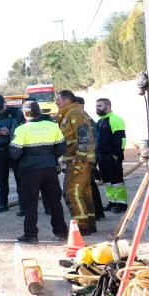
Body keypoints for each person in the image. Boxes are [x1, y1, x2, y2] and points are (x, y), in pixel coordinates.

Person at [10, 101, 68, 243]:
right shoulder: (52, 126)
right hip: (49, 169)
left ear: (25, 113)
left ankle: (31, 235)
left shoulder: (21, 129)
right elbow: (61, 146)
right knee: (55, 201)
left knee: (31, 202)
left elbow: (15, 153)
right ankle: (61, 232)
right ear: (39, 111)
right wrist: (51, 156)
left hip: (30, 171)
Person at [56, 90, 98, 235]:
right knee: (84, 192)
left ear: (67, 100)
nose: (57, 102)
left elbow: (84, 134)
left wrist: (79, 156)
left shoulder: (74, 113)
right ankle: (89, 224)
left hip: (78, 161)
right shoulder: (70, 113)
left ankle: (82, 226)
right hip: (78, 160)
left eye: (59, 100)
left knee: (71, 192)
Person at [95, 98, 128, 213]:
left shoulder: (116, 119)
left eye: (100, 106)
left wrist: (116, 154)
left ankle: (121, 203)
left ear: (108, 106)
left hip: (112, 156)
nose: (97, 108)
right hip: (101, 157)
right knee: (107, 181)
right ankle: (112, 201)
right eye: (96, 106)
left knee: (116, 180)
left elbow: (121, 139)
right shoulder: (100, 121)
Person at [76, 97, 106, 220]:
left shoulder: (84, 119)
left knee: (89, 185)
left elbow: (93, 140)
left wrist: (91, 162)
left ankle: (97, 212)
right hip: (89, 157)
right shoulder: (83, 117)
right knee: (89, 185)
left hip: (88, 158)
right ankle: (97, 212)